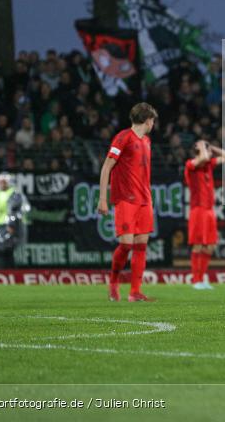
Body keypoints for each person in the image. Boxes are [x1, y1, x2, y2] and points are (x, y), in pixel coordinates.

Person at [97, 102, 158, 302]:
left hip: (144, 200)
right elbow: (107, 167)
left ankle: (135, 292)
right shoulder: (123, 138)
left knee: (141, 245)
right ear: (148, 120)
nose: (153, 124)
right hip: (126, 199)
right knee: (126, 245)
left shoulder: (147, 141)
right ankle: (113, 283)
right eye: (153, 120)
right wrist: (102, 199)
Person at [184, 140, 225, 290]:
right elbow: (203, 158)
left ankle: (202, 279)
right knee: (198, 245)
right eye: (207, 149)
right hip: (198, 210)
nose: (210, 153)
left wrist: (211, 147)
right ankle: (196, 280)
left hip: (209, 210)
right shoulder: (191, 165)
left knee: (210, 246)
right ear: (199, 151)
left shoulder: (208, 165)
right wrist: (201, 147)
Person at [0, 172, 30, 269]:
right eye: (0, 182)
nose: (2, 184)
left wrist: (11, 225)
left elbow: (14, 211)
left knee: (4, 251)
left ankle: (6, 273)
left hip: (6, 226)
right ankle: (1, 272)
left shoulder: (13, 194)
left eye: (4, 182)